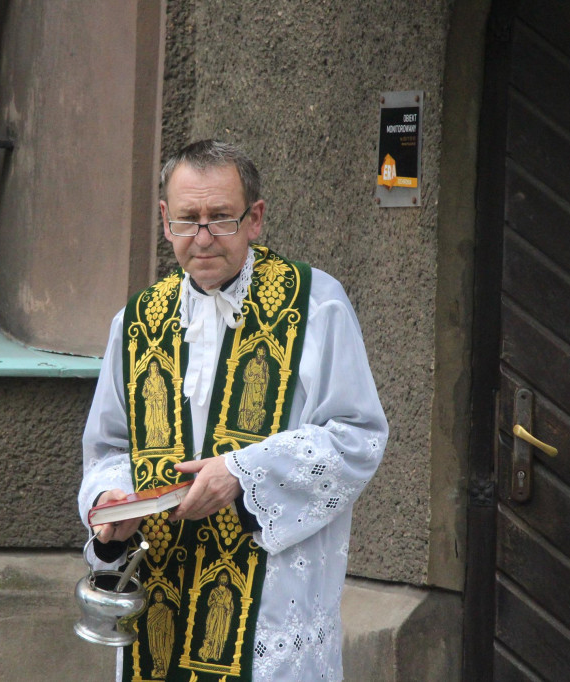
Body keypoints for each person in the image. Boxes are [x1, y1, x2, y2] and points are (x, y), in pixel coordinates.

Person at [78, 139, 388, 681]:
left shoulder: (316, 305)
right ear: (164, 220)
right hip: (161, 603)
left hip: (267, 605)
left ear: (255, 219)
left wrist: (243, 474)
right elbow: (108, 447)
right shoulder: (135, 322)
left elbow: (357, 438)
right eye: (187, 219)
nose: (202, 238)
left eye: (220, 219)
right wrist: (109, 504)